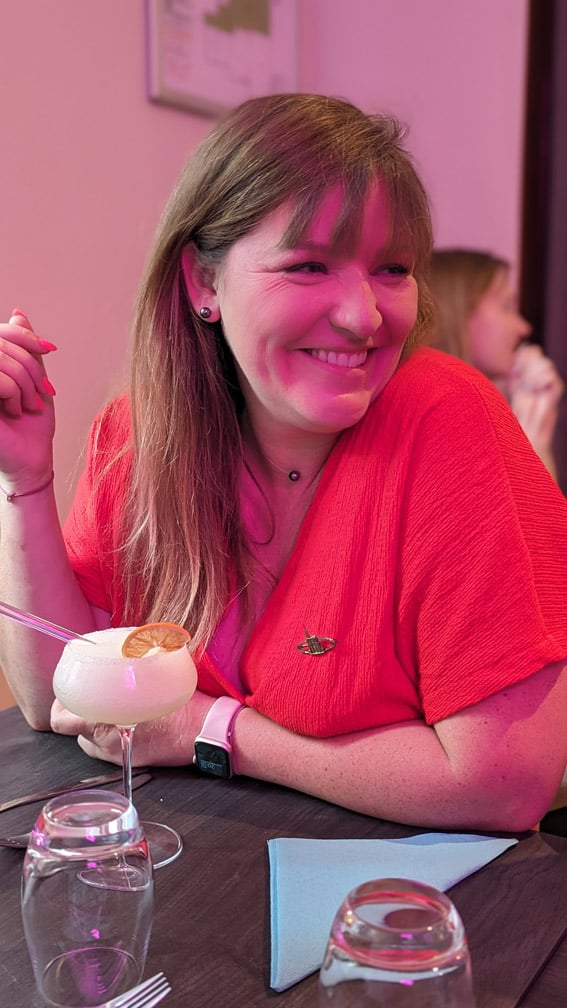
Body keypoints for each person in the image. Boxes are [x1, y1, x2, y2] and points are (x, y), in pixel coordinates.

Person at [0, 93, 566, 833]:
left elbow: (503, 783)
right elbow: (58, 699)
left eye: (392, 268)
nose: (364, 316)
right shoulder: (138, 434)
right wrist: (26, 482)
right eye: (307, 267)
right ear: (203, 283)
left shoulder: (449, 421)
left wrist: (214, 732)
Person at [427, 248, 564, 480]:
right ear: (458, 313)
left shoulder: (486, 413)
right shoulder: (440, 434)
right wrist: (530, 451)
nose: (523, 328)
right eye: (507, 306)